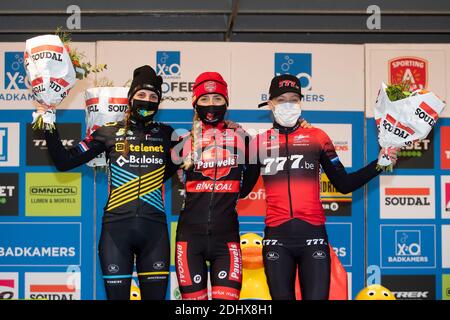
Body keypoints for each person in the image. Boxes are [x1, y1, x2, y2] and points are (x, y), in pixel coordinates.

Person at [241, 74, 399, 300]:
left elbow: (344, 184)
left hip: (313, 236)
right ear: (270, 104)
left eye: (294, 99)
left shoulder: (317, 137)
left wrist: (380, 164)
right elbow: (243, 189)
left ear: (301, 103)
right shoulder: (259, 142)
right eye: (282, 99)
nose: (288, 104)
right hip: (277, 238)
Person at [41, 65, 178, 300]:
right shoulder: (108, 133)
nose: (147, 101)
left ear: (159, 102)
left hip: (154, 232)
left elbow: (174, 168)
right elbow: (64, 161)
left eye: (154, 96)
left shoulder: (169, 135)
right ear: (130, 98)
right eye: (141, 95)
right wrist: (48, 119)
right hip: (116, 231)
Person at [171, 72, 252, 300]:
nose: (211, 105)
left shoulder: (242, 138)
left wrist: (237, 193)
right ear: (194, 103)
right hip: (189, 238)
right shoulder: (183, 141)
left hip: (226, 239)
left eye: (217, 99)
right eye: (205, 99)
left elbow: (252, 176)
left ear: (226, 102)